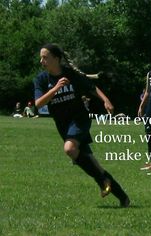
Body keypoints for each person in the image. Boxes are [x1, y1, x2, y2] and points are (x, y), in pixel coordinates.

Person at [34, 43, 130, 207]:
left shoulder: (71, 74)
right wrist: (56, 88)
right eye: (41, 58)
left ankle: (102, 181)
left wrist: (106, 100)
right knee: (92, 163)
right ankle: (123, 197)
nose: (42, 61)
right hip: (63, 125)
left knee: (70, 149)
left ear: (56, 59)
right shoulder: (41, 79)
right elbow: (38, 103)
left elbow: (91, 87)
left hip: (79, 120)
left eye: (45, 57)